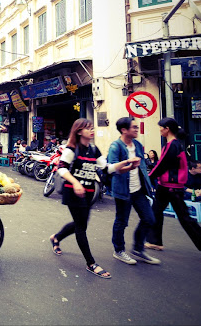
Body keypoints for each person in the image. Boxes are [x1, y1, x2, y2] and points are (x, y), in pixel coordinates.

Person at [48, 118, 129, 279]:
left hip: (88, 193)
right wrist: (75, 182)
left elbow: (106, 168)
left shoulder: (93, 149)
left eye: (92, 128)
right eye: (88, 128)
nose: (92, 131)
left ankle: (56, 237)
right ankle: (91, 263)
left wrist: (126, 164)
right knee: (81, 227)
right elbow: (61, 168)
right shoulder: (72, 149)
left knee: (81, 223)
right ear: (79, 131)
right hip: (73, 193)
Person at [144, 117, 201, 264]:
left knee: (185, 219)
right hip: (166, 186)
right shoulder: (172, 144)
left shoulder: (173, 145)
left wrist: (148, 177)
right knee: (155, 212)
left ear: (167, 129)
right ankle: (155, 241)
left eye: (160, 128)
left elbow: (162, 165)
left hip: (172, 187)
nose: (159, 130)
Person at [107, 117, 159, 265]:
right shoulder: (115, 147)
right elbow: (113, 169)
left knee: (149, 219)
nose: (136, 130)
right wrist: (129, 166)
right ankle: (119, 250)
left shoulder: (137, 144)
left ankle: (138, 249)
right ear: (124, 130)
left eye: (137, 127)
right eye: (134, 127)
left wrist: (148, 185)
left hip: (138, 190)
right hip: (123, 191)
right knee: (122, 221)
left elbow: (143, 167)